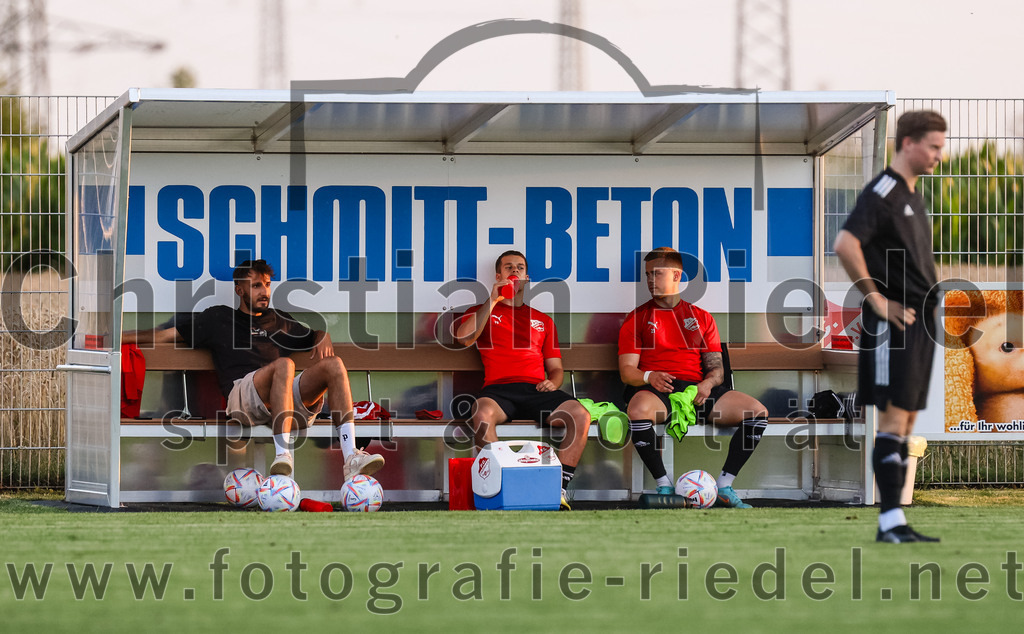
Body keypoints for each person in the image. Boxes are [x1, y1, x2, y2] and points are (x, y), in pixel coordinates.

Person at [124, 259, 384, 481]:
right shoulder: (218, 318)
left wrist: (322, 334)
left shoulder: (279, 319)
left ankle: (351, 457)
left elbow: (310, 336)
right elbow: (164, 336)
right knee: (285, 365)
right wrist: (117, 337)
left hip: (282, 401)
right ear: (239, 289)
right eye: (257, 285)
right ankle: (283, 455)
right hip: (242, 398)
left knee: (334, 365)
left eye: (268, 285)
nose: (264, 292)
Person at [833, 110, 947, 543]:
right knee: (892, 418)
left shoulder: (912, 194)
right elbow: (845, 244)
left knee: (908, 419)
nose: (940, 154)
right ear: (908, 143)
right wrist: (876, 299)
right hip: (891, 324)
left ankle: (896, 521)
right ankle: (889, 522)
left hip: (920, 322)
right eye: (934, 146)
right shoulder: (882, 190)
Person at [618, 247, 769, 509]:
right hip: (656, 388)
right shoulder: (637, 318)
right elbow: (627, 372)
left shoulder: (701, 317)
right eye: (647, 275)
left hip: (696, 391)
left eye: (657, 274)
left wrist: (708, 384)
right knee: (638, 410)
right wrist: (649, 376)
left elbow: (717, 370)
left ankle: (724, 486)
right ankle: (664, 485)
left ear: (677, 275)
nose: (650, 280)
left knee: (757, 412)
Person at [454, 250, 591, 510]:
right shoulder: (482, 310)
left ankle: (557, 489)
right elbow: (463, 338)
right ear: (498, 275)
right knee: (481, 417)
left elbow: (556, 369)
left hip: (537, 390)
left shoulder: (543, 320)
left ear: (527, 278)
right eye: (508, 267)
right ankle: (503, 487)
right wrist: (493, 300)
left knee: (580, 415)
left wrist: (554, 382)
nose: (514, 272)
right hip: (498, 391)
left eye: (519, 268)